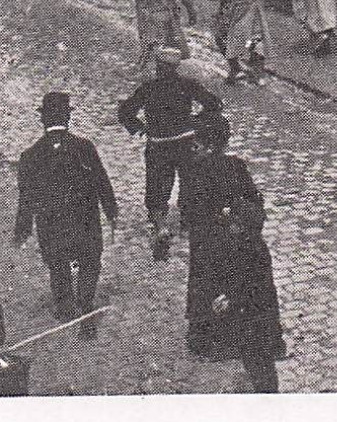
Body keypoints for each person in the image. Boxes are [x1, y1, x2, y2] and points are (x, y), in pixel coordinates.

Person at [13, 92, 117, 339]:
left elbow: (26, 197)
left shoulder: (30, 156)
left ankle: (65, 306)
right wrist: (111, 211)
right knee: (90, 261)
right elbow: (102, 182)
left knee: (58, 264)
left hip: (51, 225)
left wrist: (23, 228)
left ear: (43, 120)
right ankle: (85, 301)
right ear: (68, 117)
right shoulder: (84, 147)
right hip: (84, 221)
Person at [118, 46, 223, 260]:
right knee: (189, 181)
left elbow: (125, 111)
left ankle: (160, 225)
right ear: (176, 67)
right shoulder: (187, 85)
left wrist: (140, 128)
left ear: (158, 67)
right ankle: (188, 220)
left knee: (157, 185)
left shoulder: (148, 88)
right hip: (185, 142)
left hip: (159, 144)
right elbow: (214, 104)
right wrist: (196, 122)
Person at [178, 113, 263, 357]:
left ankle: (203, 335)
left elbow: (187, 207)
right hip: (231, 239)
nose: (192, 145)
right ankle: (231, 334)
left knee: (205, 283)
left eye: (197, 141)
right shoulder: (236, 166)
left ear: (207, 144)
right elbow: (253, 199)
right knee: (231, 281)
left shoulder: (193, 170)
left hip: (206, 240)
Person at [207, 196, 286, 393]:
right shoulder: (247, 247)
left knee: (260, 365)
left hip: (257, 323)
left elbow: (252, 290)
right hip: (254, 320)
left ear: (243, 227)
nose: (229, 225)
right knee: (256, 362)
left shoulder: (252, 252)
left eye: (233, 222)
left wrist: (230, 300)